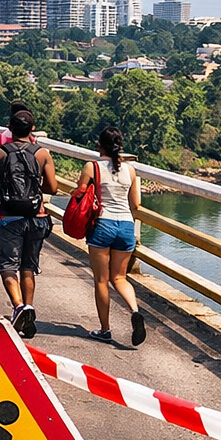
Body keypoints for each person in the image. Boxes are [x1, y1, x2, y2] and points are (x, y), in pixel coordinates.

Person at [0, 105, 57, 338]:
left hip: (10, 216)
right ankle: (29, 307)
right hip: (37, 217)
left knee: (7, 265)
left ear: (10, 129)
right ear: (32, 129)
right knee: (28, 266)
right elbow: (52, 187)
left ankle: (18, 307)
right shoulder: (42, 154)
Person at [78, 124, 147, 346]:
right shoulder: (131, 171)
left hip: (102, 225)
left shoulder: (92, 167)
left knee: (101, 280)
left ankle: (105, 330)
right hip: (126, 226)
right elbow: (135, 204)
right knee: (120, 278)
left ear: (100, 146)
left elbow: (80, 195)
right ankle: (135, 311)